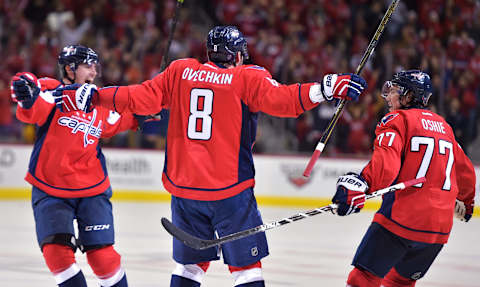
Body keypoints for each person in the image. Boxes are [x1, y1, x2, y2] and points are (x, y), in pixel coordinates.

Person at [59, 25, 367, 287]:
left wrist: (97, 96)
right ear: (236, 54)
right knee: (246, 269)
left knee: (189, 267)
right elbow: (282, 100)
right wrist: (326, 88)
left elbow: (139, 97)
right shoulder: (247, 77)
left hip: (184, 191)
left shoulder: (179, 70)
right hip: (229, 192)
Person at [331, 70, 476, 287]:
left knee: (363, 278)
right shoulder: (444, 127)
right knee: (400, 283)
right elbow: (465, 171)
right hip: (438, 230)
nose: (388, 96)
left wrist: (362, 183)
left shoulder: (397, 119)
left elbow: (386, 166)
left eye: (395, 91)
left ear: (409, 96)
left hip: (401, 220)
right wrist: (467, 202)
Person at [10, 45, 136, 287]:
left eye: (95, 66)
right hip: (50, 188)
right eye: (89, 66)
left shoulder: (99, 100)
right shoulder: (50, 90)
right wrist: (23, 87)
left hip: (92, 188)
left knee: (103, 259)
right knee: (57, 256)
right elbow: (31, 107)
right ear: (70, 68)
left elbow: (117, 122)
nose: (94, 72)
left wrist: (142, 114)